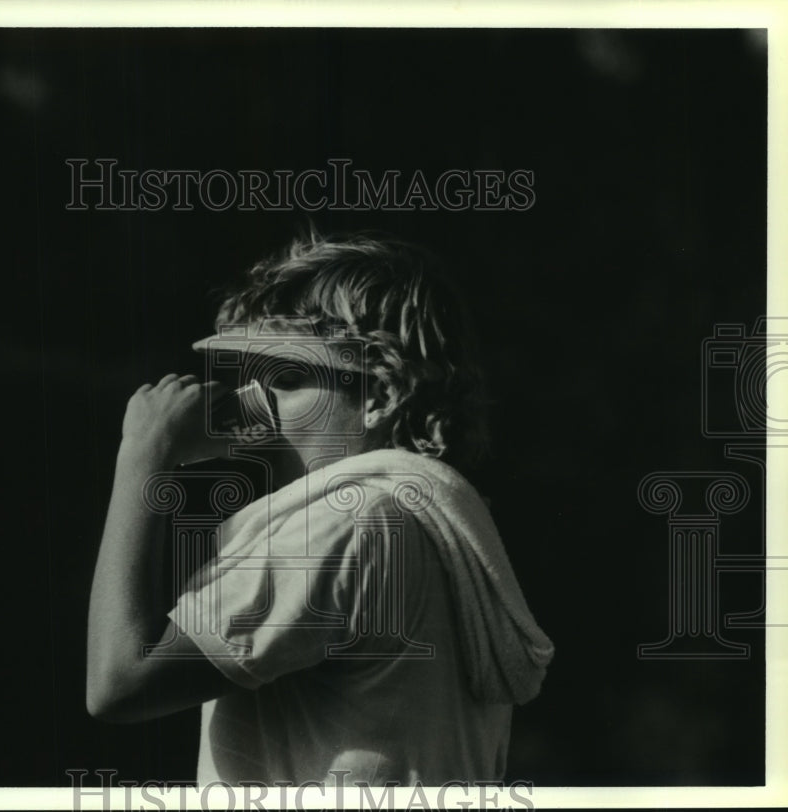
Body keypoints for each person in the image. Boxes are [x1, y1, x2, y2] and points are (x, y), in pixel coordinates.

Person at [86, 230, 554, 787]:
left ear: (381, 397)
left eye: (286, 382)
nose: (254, 412)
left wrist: (142, 456)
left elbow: (119, 682)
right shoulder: (440, 523)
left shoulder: (348, 522)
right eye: (249, 382)